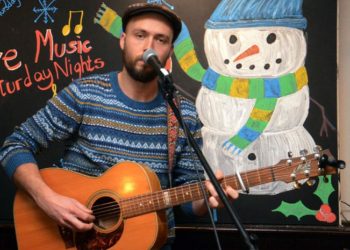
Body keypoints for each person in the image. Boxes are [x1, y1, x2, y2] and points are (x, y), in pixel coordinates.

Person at [0, 3, 238, 249]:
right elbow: (14, 146)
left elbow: (188, 197)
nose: (149, 47)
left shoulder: (184, 114)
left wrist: (207, 200)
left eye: (161, 40)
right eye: (140, 35)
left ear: (170, 50)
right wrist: (47, 199)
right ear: (123, 40)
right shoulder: (85, 93)